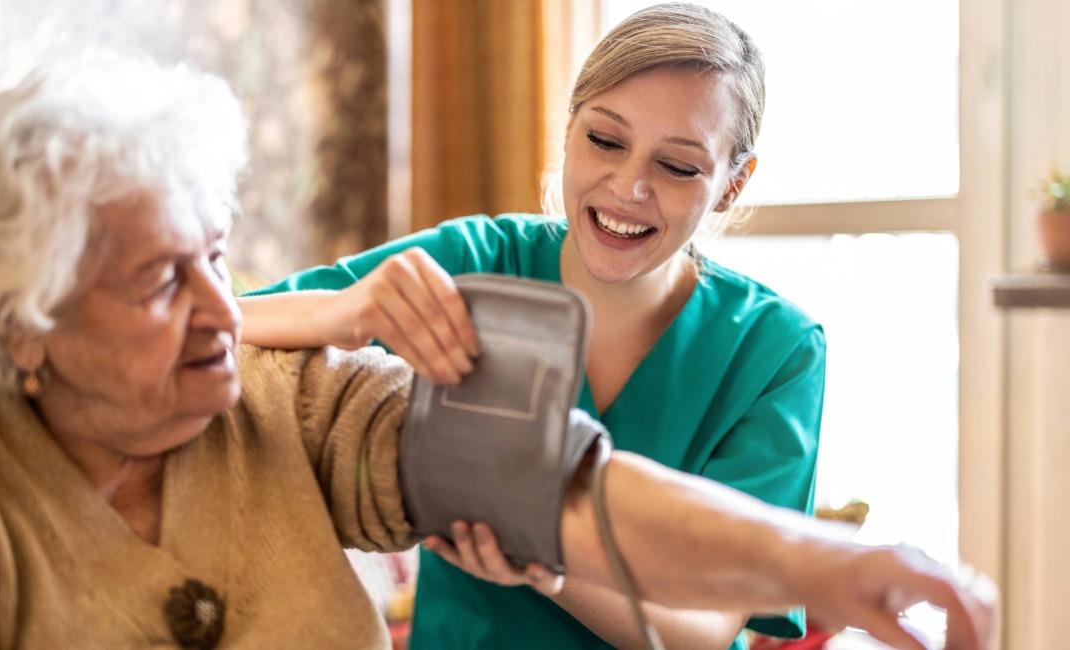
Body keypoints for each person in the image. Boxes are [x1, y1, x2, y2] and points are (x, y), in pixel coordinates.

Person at [0, 57, 995, 650]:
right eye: (166, 278)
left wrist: (819, 562)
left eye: (217, 253)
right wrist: (353, 305)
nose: (223, 306)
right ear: (26, 322)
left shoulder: (284, 410)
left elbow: (561, 482)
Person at [240, 3, 817, 649]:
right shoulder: (474, 262)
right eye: (605, 140)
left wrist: (543, 556)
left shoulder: (777, 352)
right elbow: (217, 325)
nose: (629, 186)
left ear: (733, 184)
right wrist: (342, 311)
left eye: (678, 166)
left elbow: (704, 629)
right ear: (568, 131)